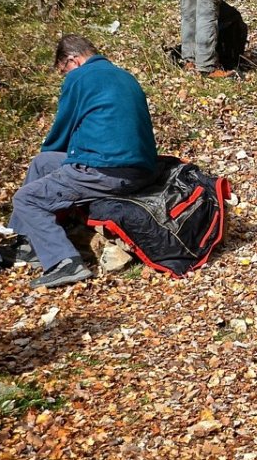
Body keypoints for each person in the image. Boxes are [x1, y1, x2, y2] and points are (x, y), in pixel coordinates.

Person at [10, 35, 158, 289]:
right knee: (43, 162)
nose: (64, 76)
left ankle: (65, 262)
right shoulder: (123, 75)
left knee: (26, 199)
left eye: (63, 70)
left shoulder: (79, 77)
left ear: (73, 60)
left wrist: (64, 171)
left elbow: (62, 130)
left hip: (108, 170)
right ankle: (26, 242)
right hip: (142, 166)